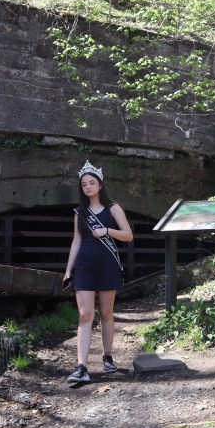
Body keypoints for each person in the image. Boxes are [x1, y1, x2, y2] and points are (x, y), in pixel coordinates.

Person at [63, 160, 133, 383]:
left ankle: (107, 356)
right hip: (84, 267)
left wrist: (107, 230)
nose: (88, 187)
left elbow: (128, 235)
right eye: (84, 184)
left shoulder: (113, 208)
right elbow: (76, 242)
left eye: (92, 183)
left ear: (100, 185)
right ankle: (81, 366)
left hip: (107, 265)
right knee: (85, 315)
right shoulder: (79, 212)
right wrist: (68, 270)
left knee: (106, 313)